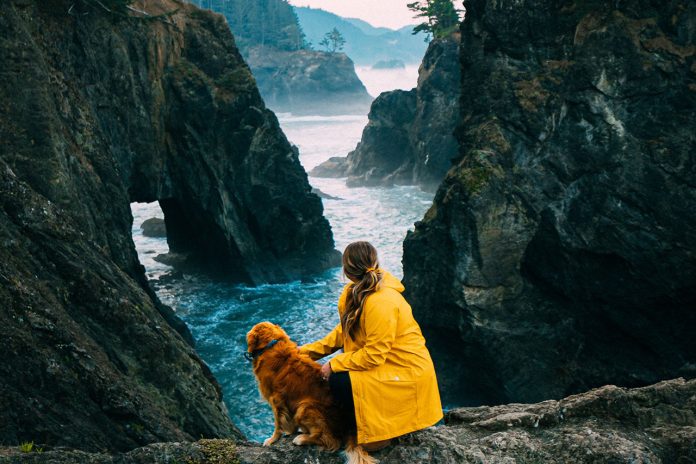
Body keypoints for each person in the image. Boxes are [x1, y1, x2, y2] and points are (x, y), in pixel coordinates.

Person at [300, 241, 443, 450]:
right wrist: (303, 352)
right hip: (388, 364)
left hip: (405, 371)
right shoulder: (353, 293)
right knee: (339, 379)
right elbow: (343, 333)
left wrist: (334, 363)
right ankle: (364, 426)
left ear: (346, 270)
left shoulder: (381, 301)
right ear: (375, 262)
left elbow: (374, 355)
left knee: (340, 380)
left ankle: (382, 434)